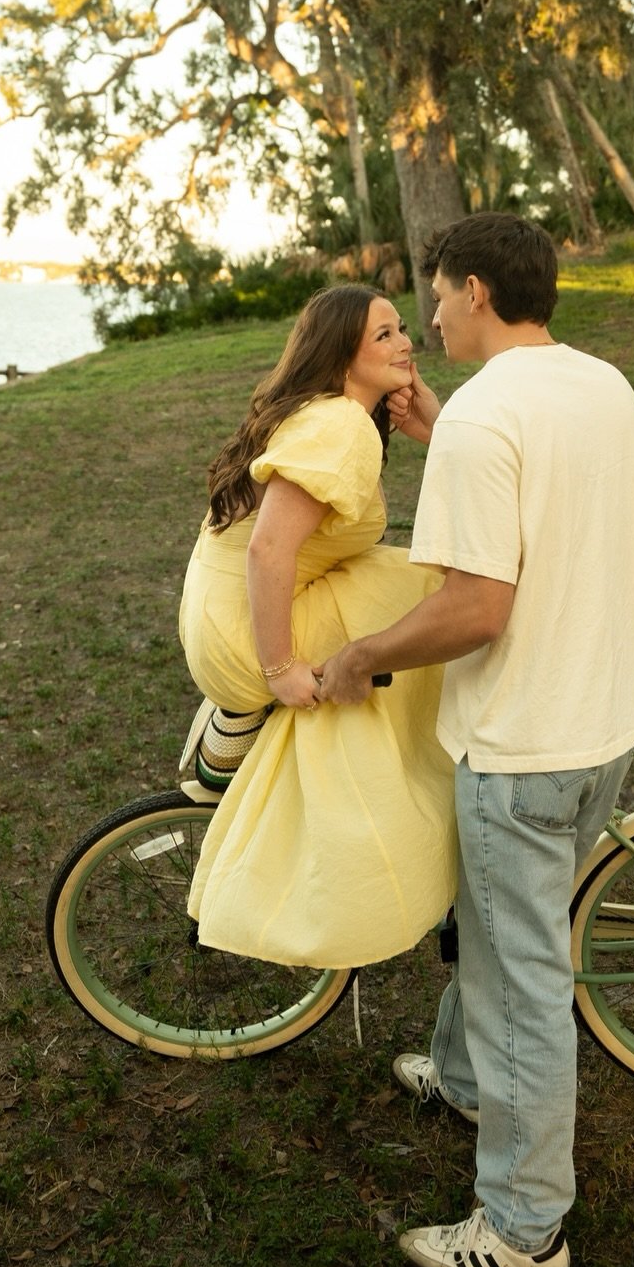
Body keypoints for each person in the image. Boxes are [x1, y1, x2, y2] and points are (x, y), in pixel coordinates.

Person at [318, 213, 634, 1267]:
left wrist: (365, 652)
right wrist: (442, 433)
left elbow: (476, 609)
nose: (424, 318)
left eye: (433, 295)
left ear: (472, 289)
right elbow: (549, 506)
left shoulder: (483, 420)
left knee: (520, 983)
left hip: (525, 743)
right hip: (606, 713)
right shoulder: (598, 383)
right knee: (495, 922)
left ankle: (522, 1230)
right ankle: (467, 1080)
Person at [178, 284, 455, 969]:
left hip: (222, 617)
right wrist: (280, 669)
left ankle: (233, 735)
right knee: (440, 594)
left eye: (402, 330)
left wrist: (437, 426)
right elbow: (270, 550)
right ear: (341, 355)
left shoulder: (330, 414)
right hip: (249, 632)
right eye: (384, 335)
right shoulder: (339, 425)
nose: (406, 343)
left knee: (421, 578)